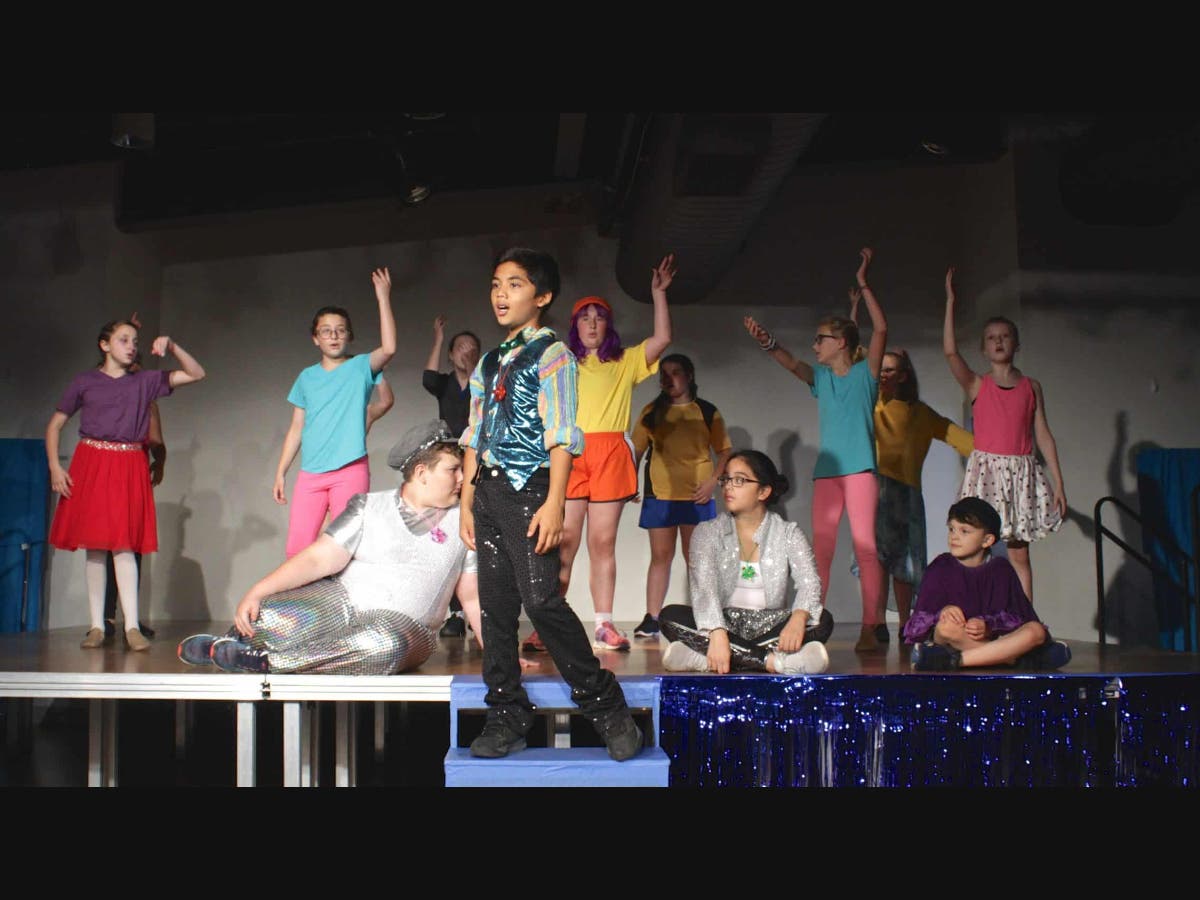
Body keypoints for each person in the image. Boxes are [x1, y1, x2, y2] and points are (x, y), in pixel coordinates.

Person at [458, 246, 642, 761]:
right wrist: (467, 499)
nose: (501, 294)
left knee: (541, 600)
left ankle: (606, 707)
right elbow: (475, 432)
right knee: (496, 608)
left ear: (542, 296)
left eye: (514, 284)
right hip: (488, 492)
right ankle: (506, 714)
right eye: (496, 284)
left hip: (530, 490)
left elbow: (562, 433)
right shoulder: (490, 361)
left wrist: (557, 500)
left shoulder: (554, 353)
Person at [178, 420, 483, 675]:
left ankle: (271, 663)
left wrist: (498, 654)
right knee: (267, 614)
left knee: (384, 645)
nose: (462, 479)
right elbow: (318, 559)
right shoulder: (368, 506)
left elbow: (471, 597)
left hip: (406, 628)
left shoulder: (465, 521)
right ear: (421, 473)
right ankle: (230, 645)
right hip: (342, 605)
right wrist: (258, 591)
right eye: (453, 470)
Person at [743, 247, 889, 651]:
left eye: (820, 339)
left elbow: (880, 330)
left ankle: (871, 626)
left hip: (859, 471)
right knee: (819, 551)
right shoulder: (822, 379)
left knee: (866, 548)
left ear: (840, 342)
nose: (814, 345)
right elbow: (792, 364)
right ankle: (810, 624)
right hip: (828, 474)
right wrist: (767, 342)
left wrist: (864, 284)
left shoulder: (866, 374)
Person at [537, 254, 675, 654]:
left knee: (603, 542)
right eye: (585, 318)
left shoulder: (625, 361)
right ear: (576, 325)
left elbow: (662, 339)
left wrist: (658, 294)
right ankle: (549, 626)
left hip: (610, 452)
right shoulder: (564, 362)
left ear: (608, 325)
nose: (593, 323)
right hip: (571, 452)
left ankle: (603, 624)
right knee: (564, 541)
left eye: (599, 317)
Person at [46, 319, 206, 650]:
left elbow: (196, 373)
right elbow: (55, 425)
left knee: (124, 544)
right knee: (94, 546)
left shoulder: (144, 381)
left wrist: (172, 346)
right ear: (105, 345)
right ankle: (96, 626)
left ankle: (131, 626)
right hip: (92, 462)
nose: (132, 345)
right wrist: (54, 467)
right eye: (123, 339)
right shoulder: (85, 381)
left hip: (128, 464)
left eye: (135, 340)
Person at [942, 267, 1065, 603]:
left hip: (1021, 472)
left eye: (1005, 336)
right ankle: (973, 612)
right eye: (992, 338)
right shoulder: (978, 384)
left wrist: (1058, 482)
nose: (998, 342)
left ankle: (1024, 617)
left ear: (1016, 343)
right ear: (984, 348)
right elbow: (951, 353)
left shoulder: (1031, 387)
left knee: (1018, 554)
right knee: (974, 548)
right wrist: (951, 302)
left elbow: (1042, 433)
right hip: (987, 472)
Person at [658, 450, 831, 674]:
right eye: (726, 479)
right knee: (669, 616)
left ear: (764, 491)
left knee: (822, 620)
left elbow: (810, 583)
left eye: (739, 480)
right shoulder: (707, 532)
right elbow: (704, 590)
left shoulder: (788, 533)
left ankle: (703, 659)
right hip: (722, 622)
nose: (728, 486)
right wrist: (717, 633)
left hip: (768, 624)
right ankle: (776, 662)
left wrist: (798, 618)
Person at [273, 268, 397, 558]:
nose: (333, 336)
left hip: (349, 469)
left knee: (344, 548)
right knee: (297, 550)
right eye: (326, 331)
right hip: (311, 473)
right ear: (315, 338)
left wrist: (383, 297)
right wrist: (281, 472)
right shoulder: (306, 377)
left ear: (349, 336)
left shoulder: (360, 366)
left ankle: (343, 591)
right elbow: (297, 428)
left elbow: (389, 348)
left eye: (340, 330)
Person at [629, 353, 732, 638]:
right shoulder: (652, 411)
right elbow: (636, 451)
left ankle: (705, 616)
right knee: (660, 556)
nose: (668, 378)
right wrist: (630, 483)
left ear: (689, 376)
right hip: (660, 493)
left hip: (697, 495)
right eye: (664, 373)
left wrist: (713, 482)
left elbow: (724, 451)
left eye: (675, 372)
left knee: (696, 558)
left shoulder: (707, 411)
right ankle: (652, 618)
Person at [904, 497, 1072, 671]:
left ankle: (954, 660)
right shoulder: (940, 566)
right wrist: (943, 612)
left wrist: (989, 626)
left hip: (988, 639)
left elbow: (1018, 616)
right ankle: (1018, 660)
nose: (954, 536)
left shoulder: (1000, 569)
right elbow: (919, 621)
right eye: (952, 529)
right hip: (955, 637)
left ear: (987, 540)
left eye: (964, 531)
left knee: (1036, 631)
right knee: (946, 628)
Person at [422, 315, 482, 638]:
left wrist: (474, 370)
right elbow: (428, 377)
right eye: (459, 348)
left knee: (476, 533)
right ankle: (456, 613)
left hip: (477, 461)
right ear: (450, 354)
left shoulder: (482, 383)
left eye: (471, 349)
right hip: (449, 463)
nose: (465, 353)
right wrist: (438, 337)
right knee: (450, 534)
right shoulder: (445, 384)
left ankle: (479, 611)